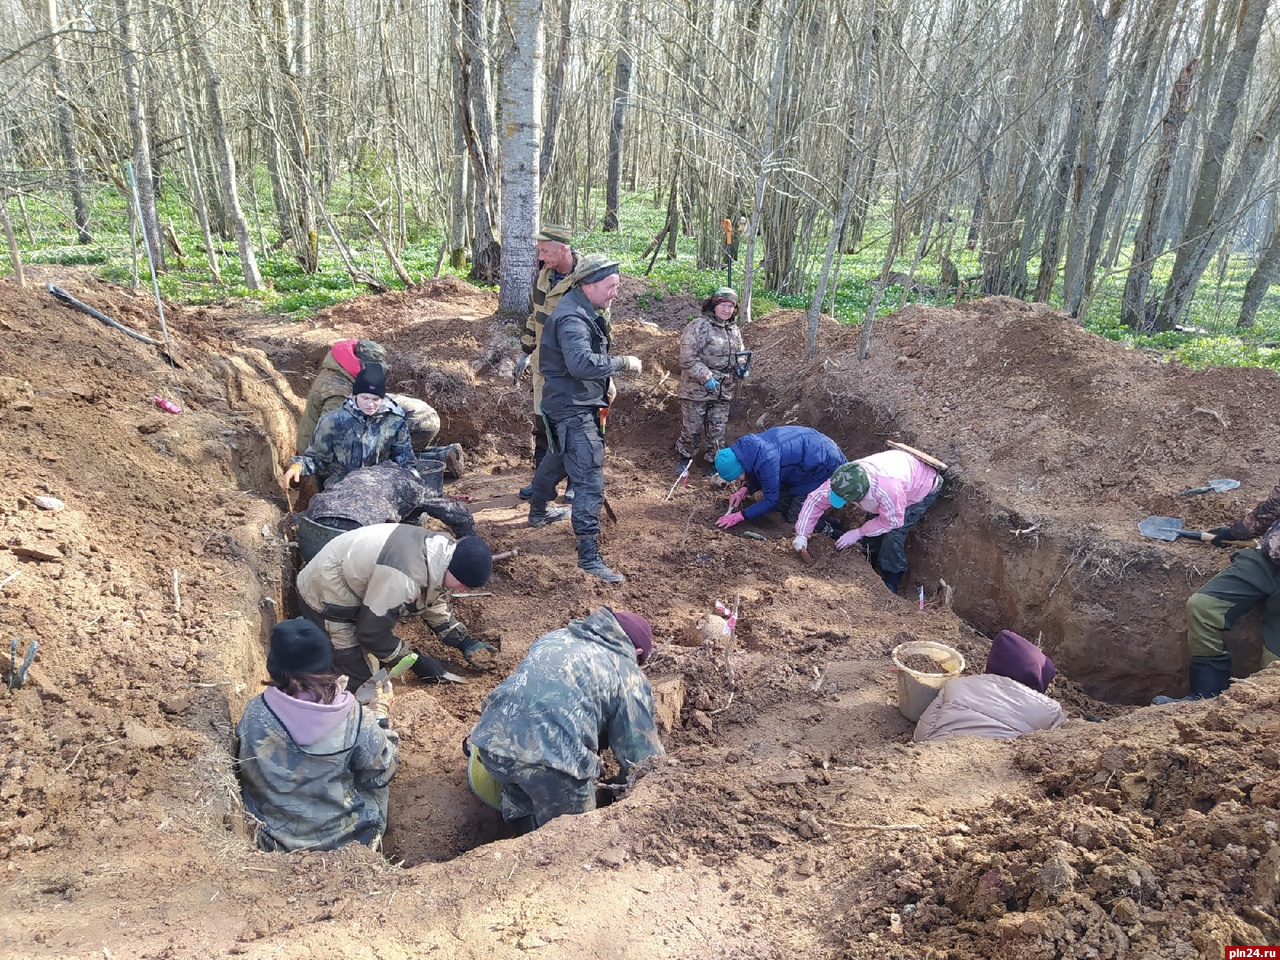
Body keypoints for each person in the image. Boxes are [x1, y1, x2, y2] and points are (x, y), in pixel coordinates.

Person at [465, 607, 664, 832]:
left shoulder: (554, 637)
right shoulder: (627, 673)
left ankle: (522, 822)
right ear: (637, 653)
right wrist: (622, 788)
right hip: (551, 763)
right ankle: (536, 843)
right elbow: (642, 758)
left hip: (489, 743)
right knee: (575, 833)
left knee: (525, 787)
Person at [525, 254, 642, 584]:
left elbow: (580, 363)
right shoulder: (573, 318)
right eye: (611, 286)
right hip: (573, 407)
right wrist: (622, 363)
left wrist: (607, 382)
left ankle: (538, 511)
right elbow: (580, 364)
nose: (615, 293)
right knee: (590, 477)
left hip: (568, 400)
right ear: (589, 285)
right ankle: (589, 557)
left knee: (558, 457)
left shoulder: (583, 309)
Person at [235, 618, 398, 852]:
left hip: (273, 839)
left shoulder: (255, 712)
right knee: (376, 775)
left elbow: (245, 769)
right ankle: (370, 845)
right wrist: (380, 720)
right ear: (326, 663)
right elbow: (381, 773)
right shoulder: (357, 719)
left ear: (274, 666)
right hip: (347, 841)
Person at [295, 523, 495, 689]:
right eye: (462, 584)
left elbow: (432, 599)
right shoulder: (404, 578)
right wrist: (415, 663)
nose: (461, 589)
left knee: (376, 650)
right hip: (325, 594)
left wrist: (464, 642)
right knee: (362, 679)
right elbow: (371, 633)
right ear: (454, 570)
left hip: (351, 577)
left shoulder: (440, 552)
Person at [1153, 481, 1280, 703]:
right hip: (1268, 559)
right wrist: (1235, 532)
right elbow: (1273, 506)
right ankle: (1204, 697)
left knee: (1273, 663)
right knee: (1203, 607)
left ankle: (1259, 713)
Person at [297, 337, 462, 476]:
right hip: (327, 456)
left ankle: (433, 456)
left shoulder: (342, 370)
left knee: (417, 422)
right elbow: (340, 441)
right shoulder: (337, 394)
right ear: (362, 364)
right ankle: (437, 456)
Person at [792, 449, 942, 594]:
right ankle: (869, 562)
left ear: (861, 495)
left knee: (893, 536)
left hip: (921, 486)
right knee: (873, 526)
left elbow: (892, 522)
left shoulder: (889, 490)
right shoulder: (845, 477)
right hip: (898, 471)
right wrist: (802, 533)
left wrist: (859, 532)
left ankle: (892, 578)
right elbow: (816, 500)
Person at [517, 225, 582, 504]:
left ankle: (573, 482)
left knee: (572, 427)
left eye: (545, 251)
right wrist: (526, 349)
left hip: (572, 370)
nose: (541, 257)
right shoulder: (544, 275)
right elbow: (535, 314)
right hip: (544, 367)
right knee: (542, 424)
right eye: (540, 251)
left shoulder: (584, 280)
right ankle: (542, 482)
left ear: (563, 249)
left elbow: (599, 326)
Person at [281, 364, 417, 492]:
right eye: (365, 398)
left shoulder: (395, 421)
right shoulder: (333, 420)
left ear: (383, 398)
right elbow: (317, 459)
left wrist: (412, 479)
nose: (370, 404)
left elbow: (405, 460)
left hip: (380, 486)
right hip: (341, 487)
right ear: (355, 395)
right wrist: (297, 466)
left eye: (375, 399)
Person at [913, 629, 1064, 742]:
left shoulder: (957, 685)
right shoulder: (1050, 711)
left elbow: (921, 735)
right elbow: (1068, 742)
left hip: (937, 764)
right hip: (999, 777)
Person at [713, 426, 846, 532]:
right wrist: (744, 489)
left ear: (739, 467)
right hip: (810, 455)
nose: (737, 480)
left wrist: (740, 516)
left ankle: (834, 533)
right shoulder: (749, 449)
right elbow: (759, 473)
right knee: (783, 501)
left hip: (824, 465)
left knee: (796, 517)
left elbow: (770, 500)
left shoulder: (767, 460)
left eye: (736, 476)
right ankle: (833, 521)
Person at [676, 287, 747, 472]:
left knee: (717, 429)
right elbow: (687, 358)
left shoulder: (733, 330)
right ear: (714, 306)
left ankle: (714, 462)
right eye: (723, 305)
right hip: (697, 389)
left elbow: (740, 353)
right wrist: (706, 376)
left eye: (730, 306)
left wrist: (741, 367)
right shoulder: (699, 326)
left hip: (724, 390)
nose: (727, 310)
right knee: (692, 428)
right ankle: (685, 457)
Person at [305, 462, 474, 538]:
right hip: (357, 532)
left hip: (313, 522)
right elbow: (456, 513)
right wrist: (468, 539)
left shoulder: (364, 471)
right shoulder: (413, 485)